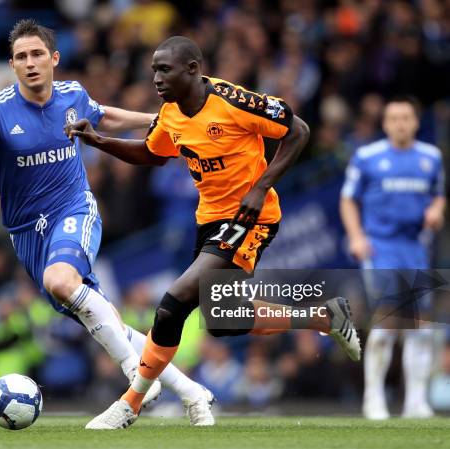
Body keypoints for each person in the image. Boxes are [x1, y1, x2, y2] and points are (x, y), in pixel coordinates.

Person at [66, 36, 362, 430]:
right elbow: (153, 154)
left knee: (173, 303)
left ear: (193, 69)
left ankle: (130, 403)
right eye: (154, 69)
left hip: (251, 217)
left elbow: (299, 131)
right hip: (210, 219)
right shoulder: (171, 113)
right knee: (224, 318)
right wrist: (99, 141)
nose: (156, 77)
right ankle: (325, 318)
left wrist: (260, 187)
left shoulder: (235, 102)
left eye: (164, 69)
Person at [0, 20, 214, 425]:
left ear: (54, 59)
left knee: (61, 281)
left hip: (75, 211)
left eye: (38, 54)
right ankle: (194, 393)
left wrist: (160, 118)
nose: (31, 63)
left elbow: (106, 117)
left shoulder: (73, 95)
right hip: (28, 235)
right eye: (22, 57)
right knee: (108, 321)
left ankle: (133, 378)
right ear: (12, 65)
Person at [340, 97, 446, 420]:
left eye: (406, 118)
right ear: (385, 124)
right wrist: (357, 237)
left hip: (414, 247)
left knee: (419, 325)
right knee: (389, 319)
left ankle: (415, 401)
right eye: (394, 118)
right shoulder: (367, 157)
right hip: (380, 246)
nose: (400, 123)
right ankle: (374, 399)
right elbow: (348, 199)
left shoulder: (431, 157)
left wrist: (437, 210)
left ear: (415, 122)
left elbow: (438, 194)